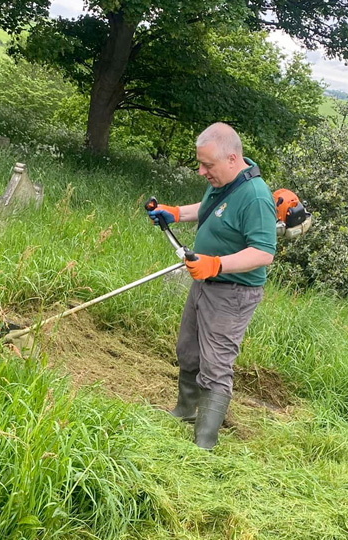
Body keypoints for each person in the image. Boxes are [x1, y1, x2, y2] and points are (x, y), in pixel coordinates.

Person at [147, 122, 276, 450]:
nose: (202, 171)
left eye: (208, 165)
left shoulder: (256, 197)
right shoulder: (224, 180)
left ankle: (204, 443)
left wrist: (215, 264)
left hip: (232, 292)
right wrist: (175, 213)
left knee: (216, 365)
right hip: (204, 281)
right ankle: (185, 411)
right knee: (187, 350)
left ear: (232, 159)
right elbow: (210, 211)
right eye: (200, 163)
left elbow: (263, 253)